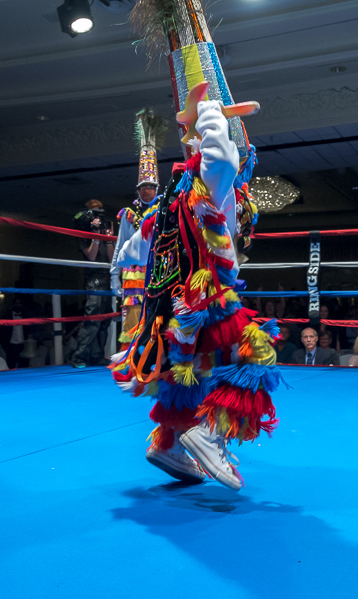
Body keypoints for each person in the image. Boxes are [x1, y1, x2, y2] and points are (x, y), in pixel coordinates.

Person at [110, 18, 277, 490]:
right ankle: (207, 433)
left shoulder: (168, 202)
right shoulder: (216, 186)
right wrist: (209, 111)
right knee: (256, 354)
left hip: (169, 309)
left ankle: (167, 444)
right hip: (205, 301)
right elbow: (224, 158)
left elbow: (130, 255)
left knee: (187, 373)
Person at [110, 108, 166, 342]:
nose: (147, 190)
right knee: (132, 324)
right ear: (137, 190)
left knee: (157, 321)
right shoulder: (128, 215)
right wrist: (114, 275)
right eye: (143, 187)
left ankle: (154, 357)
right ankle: (131, 358)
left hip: (158, 272)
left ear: (157, 188)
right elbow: (120, 245)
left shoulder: (164, 212)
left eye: (150, 186)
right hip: (133, 276)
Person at [72, 199, 114, 368]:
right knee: (92, 319)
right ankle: (79, 357)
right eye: (95, 213)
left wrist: (108, 240)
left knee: (104, 319)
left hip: (107, 277)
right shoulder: (84, 234)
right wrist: (96, 235)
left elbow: (112, 259)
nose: (98, 217)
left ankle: (97, 356)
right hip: (94, 278)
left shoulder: (105, 230)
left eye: (100, 213)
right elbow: (91, 256)